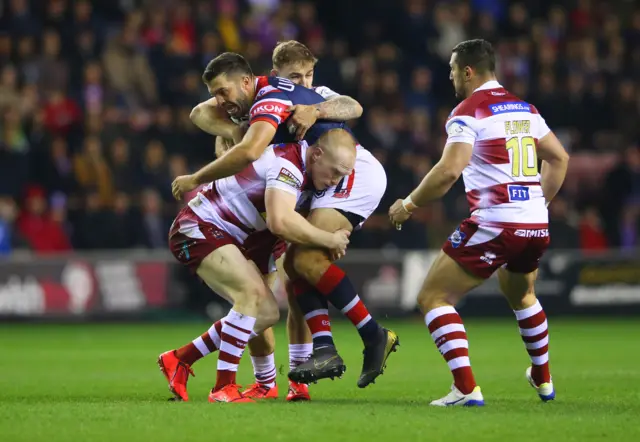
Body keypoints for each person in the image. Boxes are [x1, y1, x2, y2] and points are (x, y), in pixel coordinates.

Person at [174, 49, 399, 392]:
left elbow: (354, 107)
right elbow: (199, 112)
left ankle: (362, 338)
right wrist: (235, 131)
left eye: (308, 75)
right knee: (280, 286)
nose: (304, 83)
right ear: (273, 73)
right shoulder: (257, 103)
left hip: (344, 172)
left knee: (301, 261)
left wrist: (318, 109)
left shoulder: (303, 98)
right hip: (297, 187)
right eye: (295, 77)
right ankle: (282, 378)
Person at [389, 39, 569, 406]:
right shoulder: (525, 109)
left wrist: (408, 205)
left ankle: (466, 389)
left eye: (454, 70)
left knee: (433, 297)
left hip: (496, 222)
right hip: (534, 224)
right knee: (522, 294)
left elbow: (449, 170)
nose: (452, 77)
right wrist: (539, 204)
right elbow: (560, 158)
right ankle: (543, 378)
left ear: (467, 72)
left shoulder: (467, 111)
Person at [159, 129, 355, 403]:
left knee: (264, 313)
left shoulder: (308, 178)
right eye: (334, 171)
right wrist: (329, 239)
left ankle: (181, 358)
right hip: (198, 226)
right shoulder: (288, 163)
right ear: (317, 154)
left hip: (235, 237)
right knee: (251, 297)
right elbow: (279, 222)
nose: (335, 180)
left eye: (341, 176)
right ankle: (222, 388)